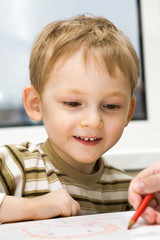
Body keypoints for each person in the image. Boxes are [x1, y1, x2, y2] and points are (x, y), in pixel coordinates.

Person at [0, 14, 140, 223]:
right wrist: (34, 208)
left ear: (128, 112)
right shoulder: (14, 165)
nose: (93, 121)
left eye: (110, 106)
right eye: (73, 103)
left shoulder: (126, 191)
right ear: (35, 104)